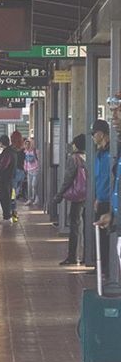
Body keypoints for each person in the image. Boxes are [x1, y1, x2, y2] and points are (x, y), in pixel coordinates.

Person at [53, 135, 87, 265]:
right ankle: (87, 256)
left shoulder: (74, 159)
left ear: (76, 145)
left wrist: (59, 195)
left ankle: (72, 256)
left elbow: (68, 179)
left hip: (78, 197)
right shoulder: (89, 156)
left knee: (75, 225)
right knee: (87, 227)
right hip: (89, 196)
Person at [92, 119, 113, 280]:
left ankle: (107, 268)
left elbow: (109, 178)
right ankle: (100, 267)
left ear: (102, 134)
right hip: (101, 199)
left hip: (110, 201)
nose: (93, 136)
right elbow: (99, 178)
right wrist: (97, 197)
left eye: (94, 133)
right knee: (100, 237)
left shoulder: (111, 154)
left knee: (107, 238)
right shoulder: (99, 153)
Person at [0, 134, 17, 221]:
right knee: (9, 197)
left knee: (5, 197)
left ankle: (7, 215)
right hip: (9, 178)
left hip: (5, 179)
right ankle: (9, 215)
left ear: (2, 142)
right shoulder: (11, 151)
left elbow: (4, 165)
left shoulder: (7, 153)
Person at [23, 138, 40, 206]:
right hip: (29, 171)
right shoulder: (26, 152)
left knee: (34, 185)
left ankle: (36, 197)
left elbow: (39, 160)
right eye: (25, 144)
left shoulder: (36, 151)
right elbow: (26, 161)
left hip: (35, 170)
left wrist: (38, 167)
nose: (26, 146)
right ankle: (30, 199)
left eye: (28, 144)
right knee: (29, 186)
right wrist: (25, 168)